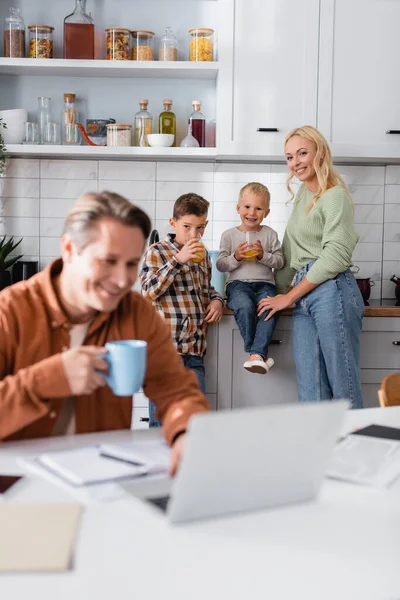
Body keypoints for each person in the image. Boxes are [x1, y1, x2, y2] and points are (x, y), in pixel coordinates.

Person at [0, 191, 211, 475]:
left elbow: (176, 390)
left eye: (131, 264)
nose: (123, 280)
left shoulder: (136, 312)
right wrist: (47, 380)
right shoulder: (9, 311)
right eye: (108, 261)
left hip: (104, 482)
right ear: (69, 250)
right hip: (18, 488)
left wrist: (186, 434)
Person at [258, 125, 364, 408]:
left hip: (333, 291)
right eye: (289, 157)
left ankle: (355, 450)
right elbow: (290, 251)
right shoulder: (303, 197)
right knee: (311, 389)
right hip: (305, 296)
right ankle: (319, 451)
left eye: (302, 153)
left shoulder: (335, 196)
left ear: (320, 152)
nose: (295, 163)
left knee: (344, 387)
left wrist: (288, 297)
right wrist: (275, 296)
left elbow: (336, 256)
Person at [140, 193, 224, 426]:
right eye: (187, 227)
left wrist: (217, 300)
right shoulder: (158, 251)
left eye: (199, 228)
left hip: (194, 355)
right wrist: (178, 260)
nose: (193, 234)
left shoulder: (203, 255)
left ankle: (186, 463)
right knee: (162, 422)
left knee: (193, 423)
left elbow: (207, 290)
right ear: (173, 223)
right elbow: (148, 291)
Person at [216, 182, 284, 374]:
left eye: (258, 208)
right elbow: (221, 264)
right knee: (244, 306)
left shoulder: (270, 235)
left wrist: (263, 255)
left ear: (266, 212)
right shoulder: (229, 236)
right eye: (247, 207)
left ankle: (256, 355)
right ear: (238, 208)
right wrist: (236, 257)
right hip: (237, 285)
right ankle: (258, 353)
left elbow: (279, 262)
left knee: (270, 308)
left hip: (265, 284)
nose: (252, 212)